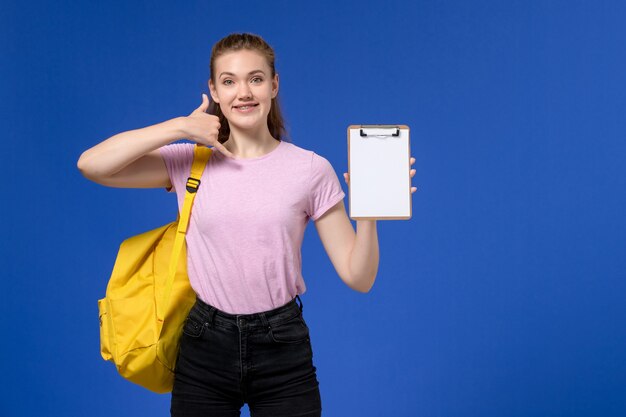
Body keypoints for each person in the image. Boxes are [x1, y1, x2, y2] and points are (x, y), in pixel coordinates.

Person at [77, 32, 416, 417]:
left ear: (274, 85)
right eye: (229, 81)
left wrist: (368, 212)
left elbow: (360, 277)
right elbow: (92, 165)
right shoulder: (191, 161)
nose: (244, 92)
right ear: (214, 91)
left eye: (255, 78)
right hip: (204, 340)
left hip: (282, 344)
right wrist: (179, 128)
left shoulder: (310, 169)